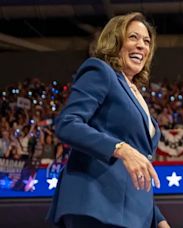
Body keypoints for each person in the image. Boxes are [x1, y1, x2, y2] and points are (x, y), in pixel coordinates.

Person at [47, 12, 170, 228]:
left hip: (131, 213)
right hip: (96, 205)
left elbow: (137, 169)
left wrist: (158, 219)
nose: (141, 45)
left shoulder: (136, 93)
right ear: (115, 41)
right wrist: (120, 148)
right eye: (133, 37)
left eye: (146, 41)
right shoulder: (101, 71)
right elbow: (67, 123)